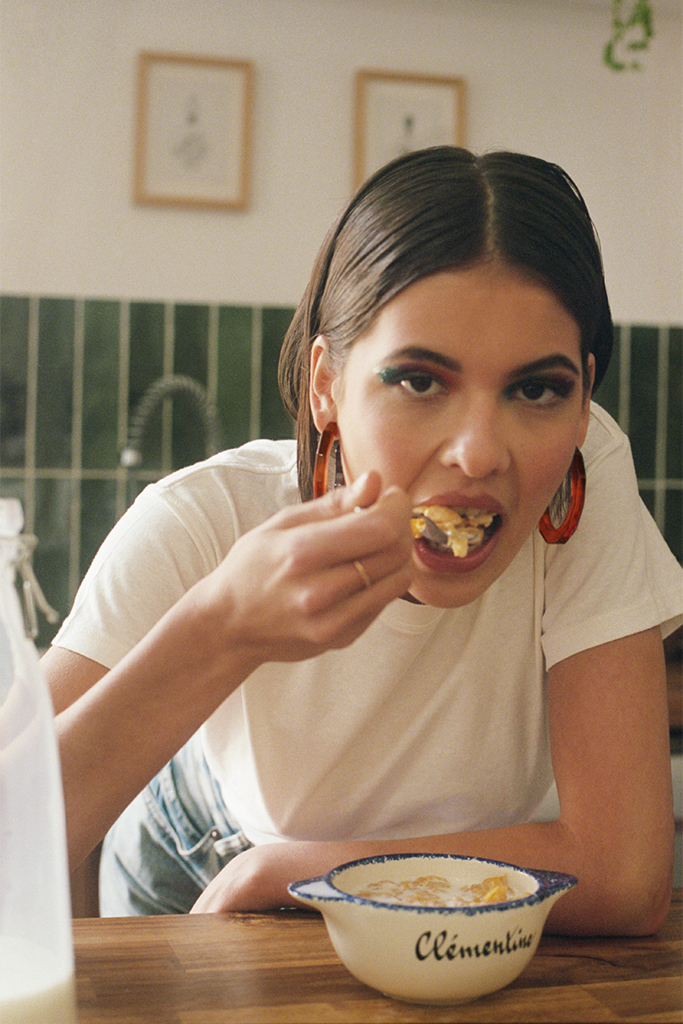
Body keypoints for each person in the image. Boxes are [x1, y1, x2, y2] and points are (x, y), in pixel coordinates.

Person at [43, 147, 682, 935]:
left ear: (581, 405)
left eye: (535, 389)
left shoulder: (583, 478)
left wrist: (297, 869)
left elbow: (624, 877)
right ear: (326, 386)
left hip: (359, 880)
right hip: (202, 859)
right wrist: (222, 630)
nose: (478, 453)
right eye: (419, 380)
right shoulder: (203, 519)